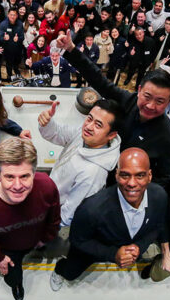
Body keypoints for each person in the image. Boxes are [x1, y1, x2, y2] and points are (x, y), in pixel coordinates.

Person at [56, 33, 170, 187]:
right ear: (139, 90)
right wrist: (71, 49)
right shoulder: (128, 101)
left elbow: (162, 179)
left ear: (169, 102)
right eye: (147, 96)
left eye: (160, 101)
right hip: (95, 169)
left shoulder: (169, 138)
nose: (150, 105)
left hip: (125, 188)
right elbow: (99, 81)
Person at [50, 148, 167, 289]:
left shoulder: (159, 196)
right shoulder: (91, 209)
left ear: (149, 175)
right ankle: (59, 269)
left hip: (127, 243)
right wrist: (113, 254)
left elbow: (156, 227)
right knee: (69, 273)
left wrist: (139, 246)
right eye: (125, 175)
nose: (131, 183)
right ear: (116, 175)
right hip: (97, 247)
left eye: (140, 176)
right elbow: (78, 239)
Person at [0, 138, 60, 300]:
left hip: (36, 239)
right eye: (9, 177)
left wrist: (45, 238)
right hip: (7, 250)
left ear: (34, 172)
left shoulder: (47, 186)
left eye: (24, 176)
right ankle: (16, 285)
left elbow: (53, 218)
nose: (17, 186)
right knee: (13, 277)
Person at [37, 97, 123, 226]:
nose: (89, 126)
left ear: (111, 135)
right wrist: (47, 123)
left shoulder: (94, 173)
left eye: (98, 125)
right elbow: (57, 133)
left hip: (51, 215)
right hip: (47, 196)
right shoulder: (85, 135)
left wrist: (44, 226)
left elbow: (68, 214)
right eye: (89, 118)